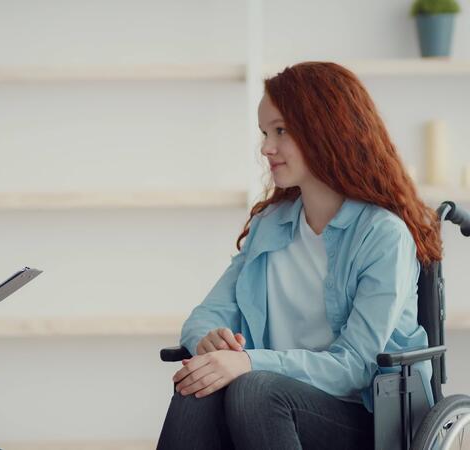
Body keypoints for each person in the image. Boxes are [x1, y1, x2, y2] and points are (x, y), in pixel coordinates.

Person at [156, 61, 442, 450]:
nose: (265, 147)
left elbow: (356, 365)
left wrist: (250, 363)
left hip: (364, 417)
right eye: (264, 132)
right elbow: (207, 313)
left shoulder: (382, 235)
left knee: (254, 389)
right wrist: (209, 343)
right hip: (269, 404)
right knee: (198, 384)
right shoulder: (271, 224)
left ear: (326, 130)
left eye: (281, 130)